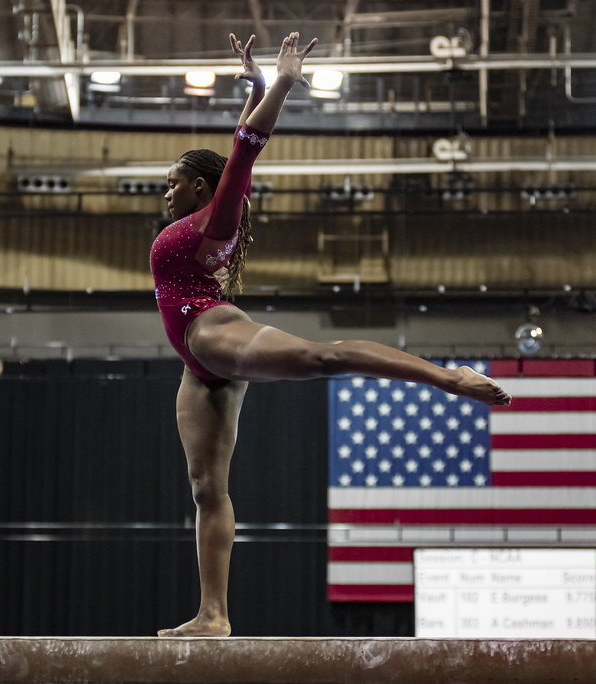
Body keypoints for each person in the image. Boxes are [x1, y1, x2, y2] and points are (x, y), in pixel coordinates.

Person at [151, 31, 511, 638]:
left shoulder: (218, 217)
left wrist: (283, 83)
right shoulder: (207, 214)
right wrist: (259, 87)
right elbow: (237, 153)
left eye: (173, 181)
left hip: (210, 332)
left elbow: (245, 149)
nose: (166, 190)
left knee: (326, 357)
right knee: (207, 488)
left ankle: (448, 377)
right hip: (197, 364)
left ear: (202, 189)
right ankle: (213, 615)